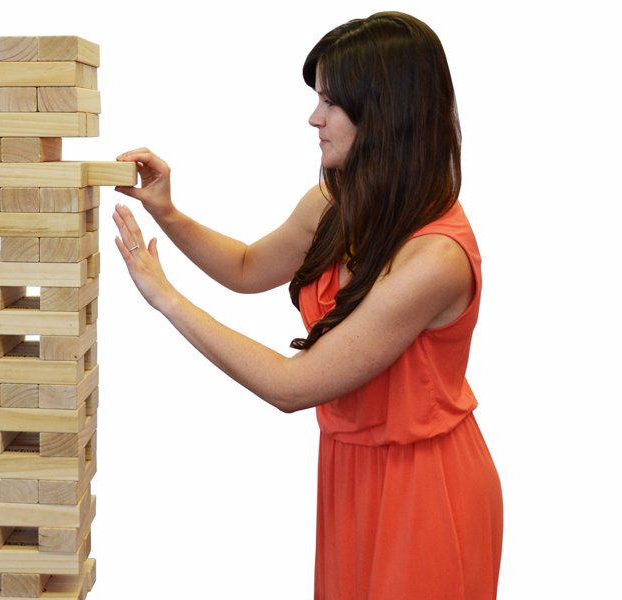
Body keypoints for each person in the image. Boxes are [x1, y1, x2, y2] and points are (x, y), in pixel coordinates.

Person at [111, 11, 503, 600]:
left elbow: (292, 388)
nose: (313, 118)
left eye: (330, 102)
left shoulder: (436, 259)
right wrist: (166, 212)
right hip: (350, 469)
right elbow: (247, 267)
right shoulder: (335, 201)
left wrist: (165, 298)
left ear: (385, 110)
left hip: (425, 484)